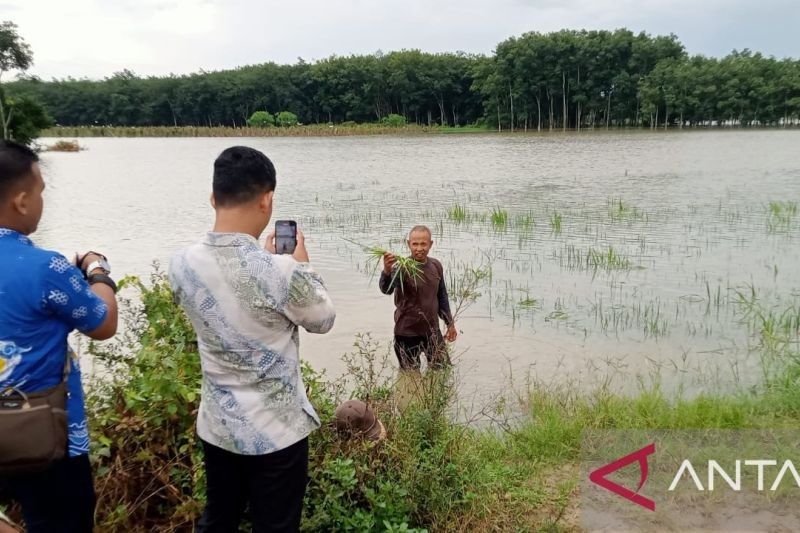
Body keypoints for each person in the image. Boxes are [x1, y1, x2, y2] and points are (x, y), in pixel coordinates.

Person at [169, 146, 335, 533]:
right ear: (267, 199)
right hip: (277, 431)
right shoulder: (282, 271)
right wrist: (299, 264)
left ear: (213, 197)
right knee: (275, 524)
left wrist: (274, 266)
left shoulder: (180, 264)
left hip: (218, 425)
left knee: (219, 519)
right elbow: (323, 319)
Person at [0, 140, 119, 533]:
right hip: (44, 439)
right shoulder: (46, 268)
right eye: (39, 193)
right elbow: (102, 324)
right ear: (20, 201)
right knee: (62, 520)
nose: (40, 201)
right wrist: (97, 271)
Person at [380, 225, 457, 371]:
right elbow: (387, 290)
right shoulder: (401, 267)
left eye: (423, 244)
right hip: (406, 333)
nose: (419, 248)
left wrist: (450, 324)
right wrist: (387, 271)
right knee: (410, 377)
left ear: (431, 244)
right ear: (408, 244)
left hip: (432, 332)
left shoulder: (436, 265)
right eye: (415, 244)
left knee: (443, 372)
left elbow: (442, 297)